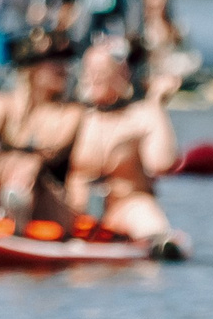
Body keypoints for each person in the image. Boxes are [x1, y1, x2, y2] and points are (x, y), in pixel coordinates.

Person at [0, 28, 86, 230]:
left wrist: (7, 161)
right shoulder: (2, 104)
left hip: (50, 198)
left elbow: (50, 150)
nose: (63, 68)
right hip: (0, 187)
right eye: (54, 61)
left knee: (27, 165)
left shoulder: (71, 112)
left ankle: (13, 212)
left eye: (65, 61)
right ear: (31, 67)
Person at [66, 41, 183, 253]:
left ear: (122, 74)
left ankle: (160, 244)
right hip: (74, 212)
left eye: (102, 71)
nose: (94, 78)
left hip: (124, 208)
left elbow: (161, 163)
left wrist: (156, 103)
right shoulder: (73, 115)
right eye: (90, 71)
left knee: (144, 211)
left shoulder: (142, 115)